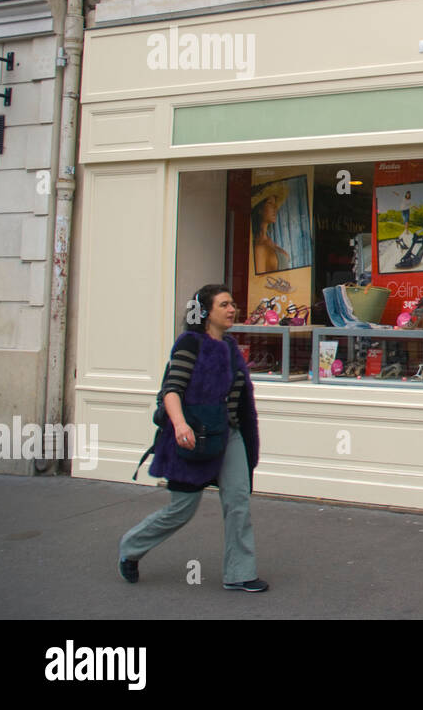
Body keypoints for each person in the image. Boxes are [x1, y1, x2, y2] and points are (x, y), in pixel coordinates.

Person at [119, 284, 267, 592]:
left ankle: (240, 572)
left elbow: (242, 401)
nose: (232, 309)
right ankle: (132, 547)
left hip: (229, 436)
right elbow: (171, 390)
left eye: (232, 304)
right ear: (206, 312)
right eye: (224, 304)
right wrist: (181, 425)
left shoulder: (229, 347)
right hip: (194, 437)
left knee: (238, 501)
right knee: (181, 509)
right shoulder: (190, 344)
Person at [251, 181, 290, 274]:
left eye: (275, 204)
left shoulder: (268, 240)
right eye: (270, 203)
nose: (275, 208)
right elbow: (259, 283)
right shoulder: (259, 247)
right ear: (259, 209)